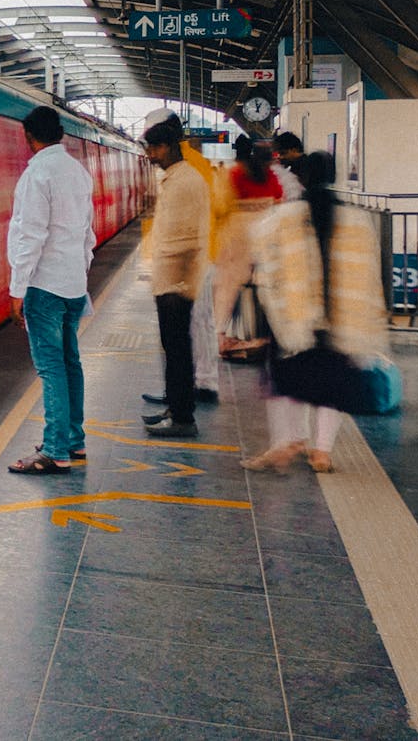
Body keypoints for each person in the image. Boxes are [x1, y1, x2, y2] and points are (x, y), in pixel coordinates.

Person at [240, 152, 388, 473]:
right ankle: (322, 453)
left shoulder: (282, 218)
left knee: (284, 383)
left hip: (295, 319)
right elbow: (369, 276)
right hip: (341, 320)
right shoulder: (357, 221)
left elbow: (263, 266)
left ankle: (286, 445)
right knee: (331, 387)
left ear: (301, 178)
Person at [5, 107, 98, 475]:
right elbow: (87, 234)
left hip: (44, 286)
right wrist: (80, 271)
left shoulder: (37, 175)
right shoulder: (78, 173)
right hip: (73, 285)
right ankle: (73, 440)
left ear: (30, 137)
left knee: (51, 368)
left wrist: (18, 289)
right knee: (70, 363)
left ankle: (56, 450)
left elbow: (31, 236)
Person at [140, 111, 221, 412]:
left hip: (191, 268)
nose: (150, 155)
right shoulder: (180, 173)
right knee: (183, 338)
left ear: (168, 140)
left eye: (153, 146)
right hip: (181, 270)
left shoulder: (190, 174)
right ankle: (178, 396)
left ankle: (197, 390)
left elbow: (188, 235)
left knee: (192, 332)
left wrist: (178, 282)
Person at [215, 137, 284, 359]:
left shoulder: (234, 174)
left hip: (237, 240)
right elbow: (279, 202)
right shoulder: (270, 176)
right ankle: (262, 337)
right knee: (264, 288)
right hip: (266, 238)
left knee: (227, 291)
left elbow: (220, 205)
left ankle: (225, 337)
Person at [272, 131, 305, 201]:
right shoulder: (293, 166)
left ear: (294, 150)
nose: (280, 157)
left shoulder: (303, 168)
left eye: (283, 153)